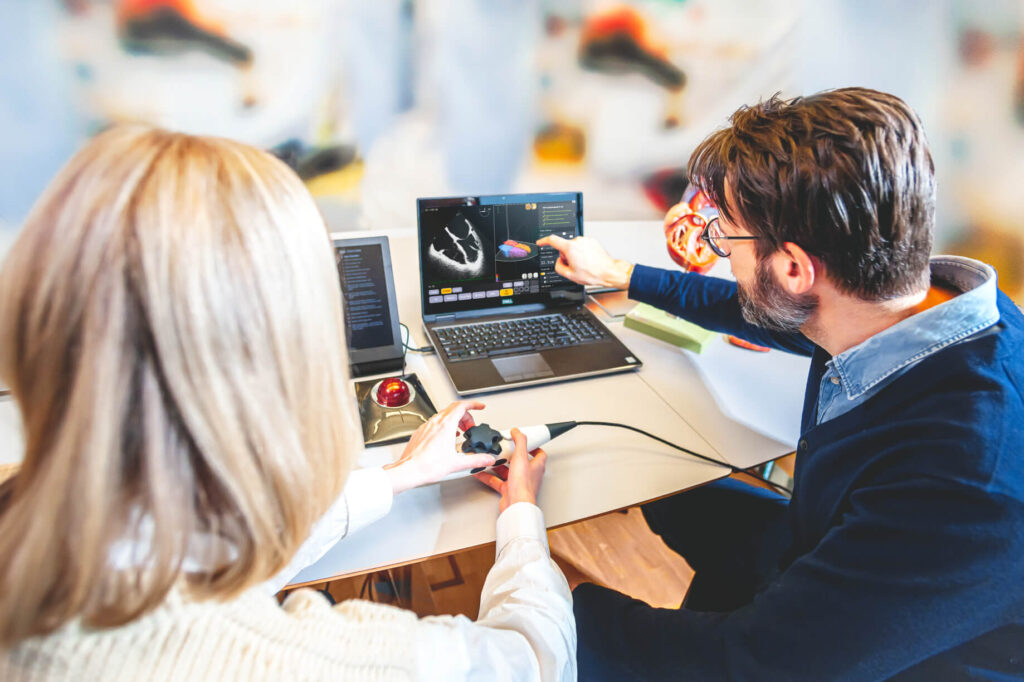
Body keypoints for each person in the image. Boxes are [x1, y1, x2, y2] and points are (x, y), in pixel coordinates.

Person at [0, 125, 575, 680]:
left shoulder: (24, 522)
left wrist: (398, 476)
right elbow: (537, 659)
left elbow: (198, 552)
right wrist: (522, 515)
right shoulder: (326, 663)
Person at [539, 87, 1024, 679]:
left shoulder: (967, 480)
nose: (722, 255)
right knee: (665, 486)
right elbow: (766, 308)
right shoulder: (908, 302)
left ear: (794, 268)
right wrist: (623, 275)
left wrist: (538, 617)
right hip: (832, 538)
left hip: (902, 656)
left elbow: (753, 663)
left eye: (728, 240)